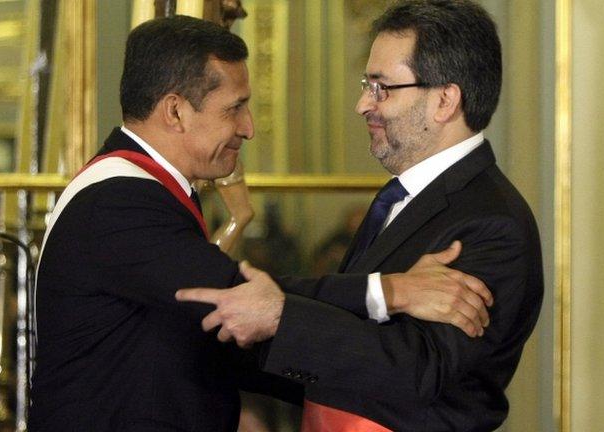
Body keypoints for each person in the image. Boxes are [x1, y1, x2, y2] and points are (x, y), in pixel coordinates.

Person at [30, 15, 493, 432]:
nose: (249, 128)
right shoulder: (121, 199)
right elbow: (239, 299)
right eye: (234, 107)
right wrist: (393, 291)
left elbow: (222, 326)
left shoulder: (137, 191)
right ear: (174, 111)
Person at [177, 1, 544, 431]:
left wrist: (279, 317)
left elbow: (415, 371)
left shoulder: (492, 223)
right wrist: (225, 330)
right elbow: (346, 338)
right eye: (365, 85)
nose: (362, 105)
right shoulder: (400, 198)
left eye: (381, 88)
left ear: (445, 99)